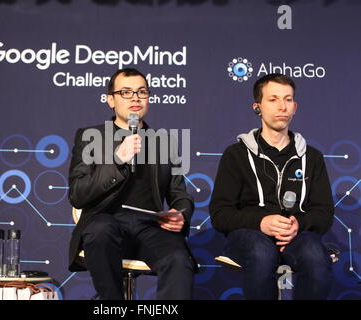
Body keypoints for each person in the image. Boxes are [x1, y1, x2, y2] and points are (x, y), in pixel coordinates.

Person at [68, 68, 196, 300]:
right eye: (126, 92)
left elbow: (180, 194)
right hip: (106, 223)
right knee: (100, 230)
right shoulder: (90, 136)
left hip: (150, 227)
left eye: (141, 92)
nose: (135, 98)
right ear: (111, 100)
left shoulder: (164, 142)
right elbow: (78, 194)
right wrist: (118, 160)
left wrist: (182, 214)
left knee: (178, 259)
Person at [209, 73, 334, 300]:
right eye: (273, 99)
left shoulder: (312, 157)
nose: (282, 107)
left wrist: (299, 224)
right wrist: (261, 222)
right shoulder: (235, 155)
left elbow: (324, 213)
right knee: (261, 252)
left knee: (315, 254)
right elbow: (220, 214)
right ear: (257, 107)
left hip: (296, 235)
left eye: (288, 100)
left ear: (295, 106)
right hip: (248, 235)